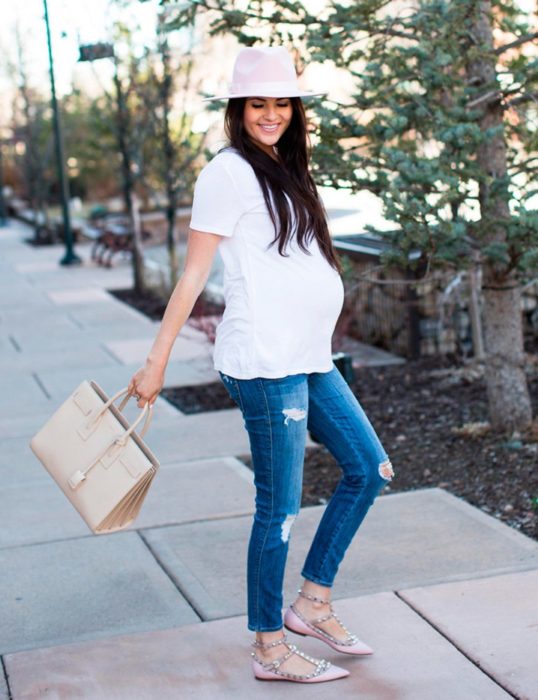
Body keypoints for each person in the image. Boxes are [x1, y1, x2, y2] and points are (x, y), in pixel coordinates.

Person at [128, 45, 394, 684]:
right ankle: (269, 647)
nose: (270, 114)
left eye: (281, 102)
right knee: (278, 507)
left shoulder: (286, 167)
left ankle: (312, 602)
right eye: (258, 103)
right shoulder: (227, 171)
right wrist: (155, 362)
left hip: (307, 356)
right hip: (264, 364)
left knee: (369, 468)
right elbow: (194, 274)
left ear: (294, 110)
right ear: (238, 109)